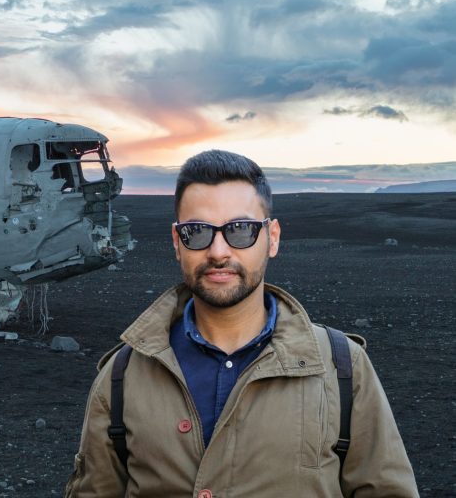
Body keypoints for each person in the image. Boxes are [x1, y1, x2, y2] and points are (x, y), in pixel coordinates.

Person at [64, 149, 418, 497]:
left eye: (241, 229)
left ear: (273, 238)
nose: (218, 251)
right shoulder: (122, 376)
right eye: (198, 231)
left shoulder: (343, 368)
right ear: (177, 242)